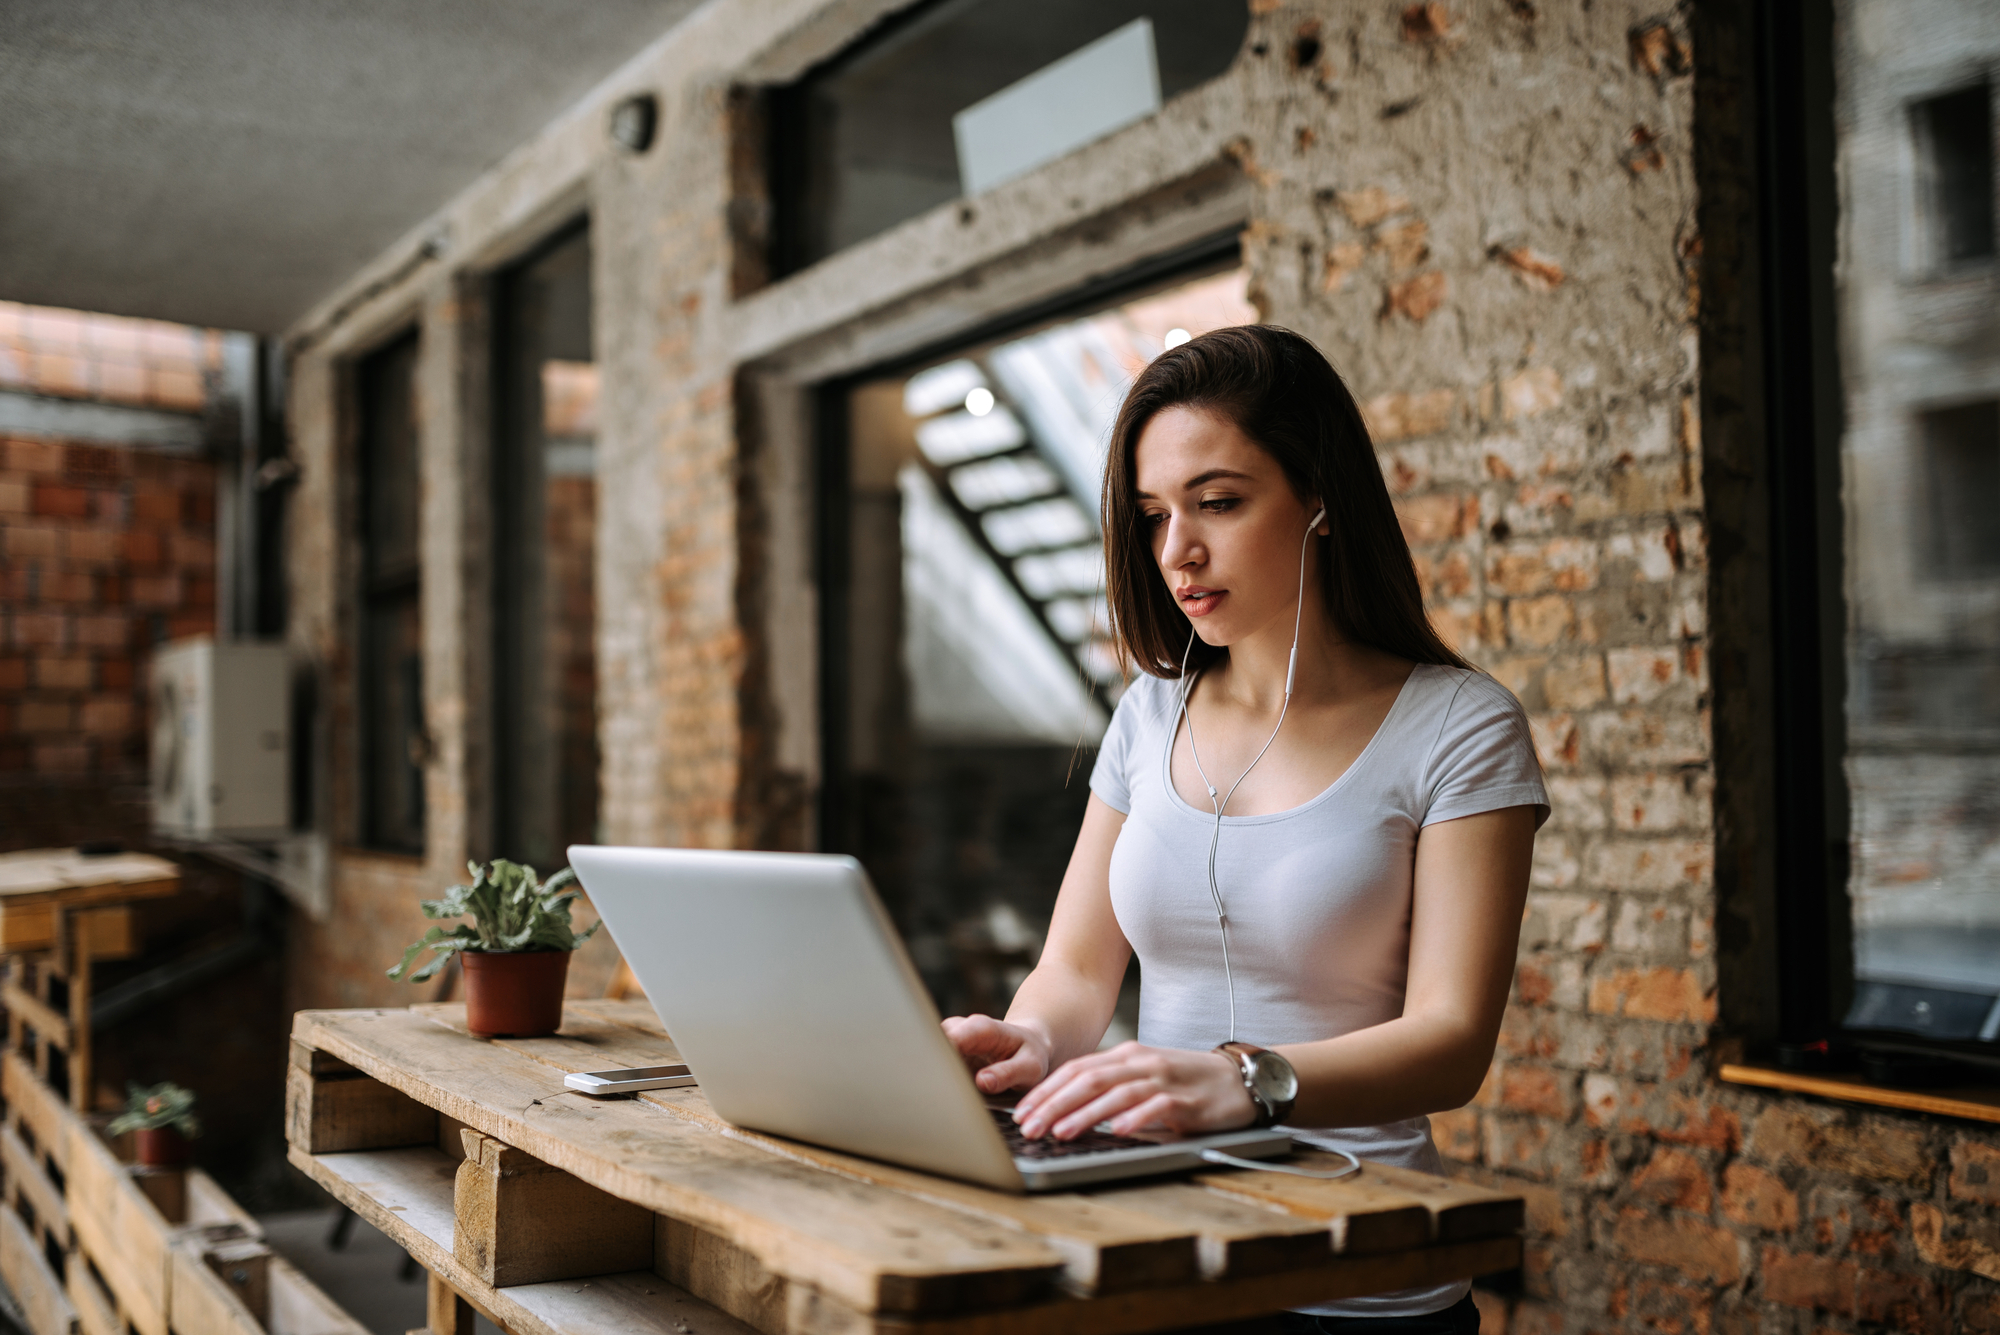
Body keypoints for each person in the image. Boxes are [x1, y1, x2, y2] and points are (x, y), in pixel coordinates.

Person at [942, 325, 1546, 1332]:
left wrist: (1246, 1080)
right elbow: (1076, 972)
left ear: (1319, 502)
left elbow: (1451, 1043)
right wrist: (1028, 1043)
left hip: (1352, 1263)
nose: (1176, 549)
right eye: (1151, 515)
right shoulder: (1146, 712)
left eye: (1216, 503)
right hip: (1152, 1242)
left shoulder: (1457, 726)